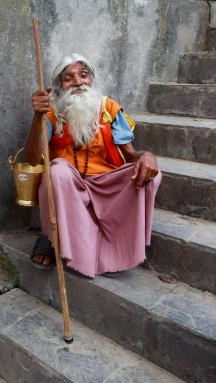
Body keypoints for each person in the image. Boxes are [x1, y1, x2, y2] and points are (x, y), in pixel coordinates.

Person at [24, 53, 161, 278]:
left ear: (92, 80)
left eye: (83, 75)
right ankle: (53, 239)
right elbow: (32, 159)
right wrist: (36, 116)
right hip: (68, 186)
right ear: (59, 86)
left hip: (106, 184)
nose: (78, 82)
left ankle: (112, 252)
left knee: (151, 174)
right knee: (57, 171)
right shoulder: (51, 112)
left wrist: (147, 156)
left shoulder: (108, 108)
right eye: (68, 78)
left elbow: (131, 155)